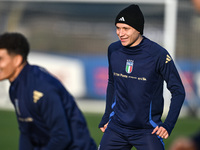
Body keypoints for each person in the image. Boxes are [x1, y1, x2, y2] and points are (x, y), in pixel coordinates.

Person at [98, 4, 185, 150]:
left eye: (126, 28)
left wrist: (168, 125)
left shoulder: (158, 54)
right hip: (116, 128)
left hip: (147, 130)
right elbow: (112, 83)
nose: (120, 33)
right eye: (118, 28)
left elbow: (178, 91)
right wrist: (107, 116)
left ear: (138, 29)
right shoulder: (113, 50)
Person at [0, 32, 97, 150]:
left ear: (17, 60)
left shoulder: (41, 88)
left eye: (0, 59)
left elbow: (62, 137)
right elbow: (26, 132)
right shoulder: (15, 88)